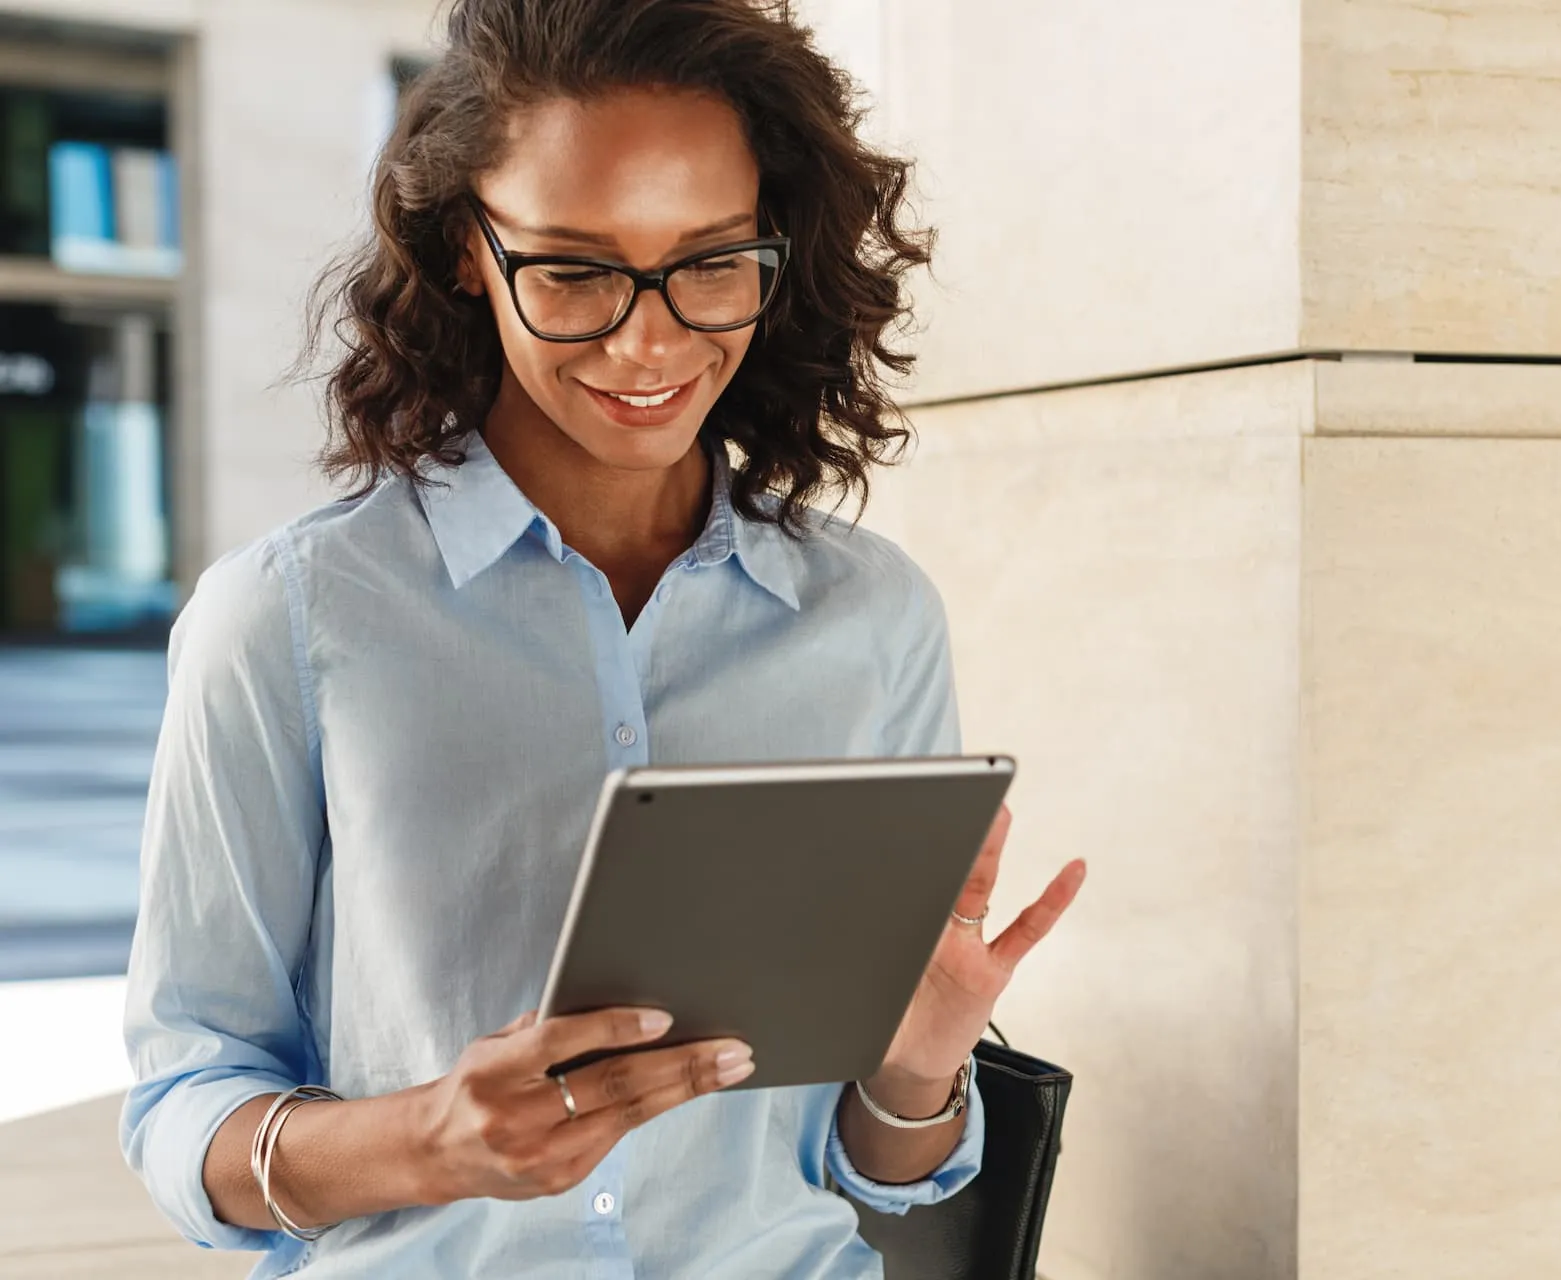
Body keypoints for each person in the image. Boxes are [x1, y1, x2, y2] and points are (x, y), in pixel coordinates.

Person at [119, 1, 1087, 1275]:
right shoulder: (288, 617)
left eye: (711, 262)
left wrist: (916, 1065)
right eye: (573, 270)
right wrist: (432, 1139)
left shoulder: (871, 616)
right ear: (469, 249)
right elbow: (184, 1098)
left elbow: (876, 1174)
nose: (651, 340)